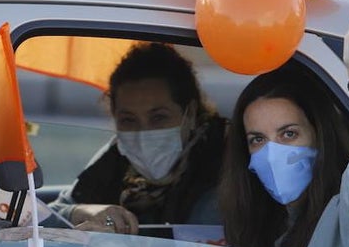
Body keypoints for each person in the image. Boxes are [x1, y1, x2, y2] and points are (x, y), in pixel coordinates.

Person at [218, 2, 349, 247]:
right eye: (258, 139)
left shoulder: (345, 228)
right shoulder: (267, 224)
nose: (272, 153)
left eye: (289, 134)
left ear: (320, 137)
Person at [51, 42, 227, 234]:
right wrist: (82, 212)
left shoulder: (227, 158)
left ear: (190, 114)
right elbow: (49, 216)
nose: (143, 133)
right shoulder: (115, 156)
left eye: (158, 117)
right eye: (128, 120)